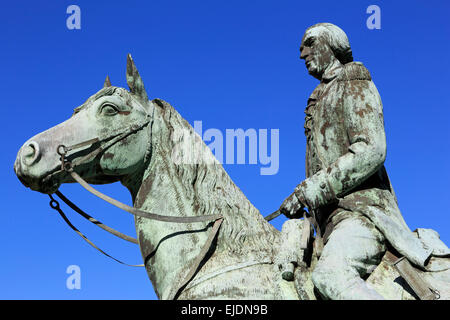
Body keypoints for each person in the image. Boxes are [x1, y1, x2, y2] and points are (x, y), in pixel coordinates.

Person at [279, 23, 432, 300]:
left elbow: (372, 149)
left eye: (311, 43)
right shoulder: (318, 97)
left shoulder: (353, 81)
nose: (303, 53)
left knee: (329, 274)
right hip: (329, 224)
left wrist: (311, 190)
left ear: (333, 45)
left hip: (362, 214)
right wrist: (301, 196)